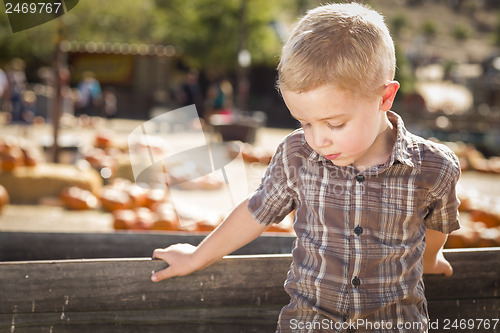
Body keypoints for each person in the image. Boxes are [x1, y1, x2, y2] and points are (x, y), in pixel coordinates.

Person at [151, 3, 460, 332]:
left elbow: (435, 228)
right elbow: (257, 211)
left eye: (334, 124)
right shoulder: (297, 154)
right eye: (305, 122)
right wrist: (197, 257)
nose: (318, 140)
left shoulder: (433, 168)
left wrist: (429, 261)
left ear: (385, 97)